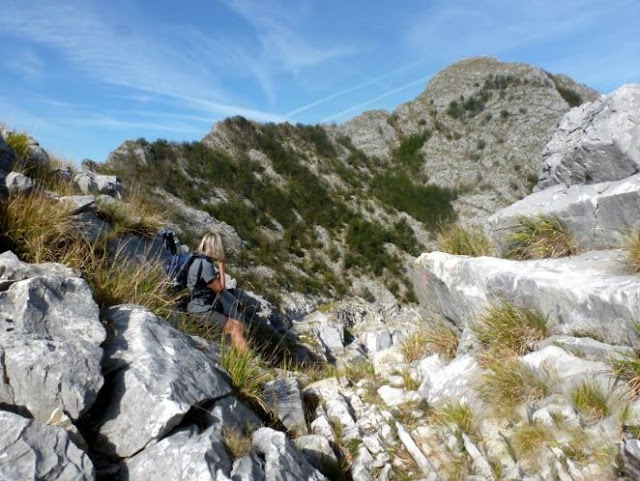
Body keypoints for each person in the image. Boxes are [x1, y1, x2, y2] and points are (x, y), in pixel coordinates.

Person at [186, 232, 249, 351]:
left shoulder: (197, 260)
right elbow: (220, 289)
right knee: (235, 328)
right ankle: (248, 363)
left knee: (238, 326)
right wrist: (221, 265)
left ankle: (237, 354)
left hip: (198, 306)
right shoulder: (205, 265)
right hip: (200, 309)